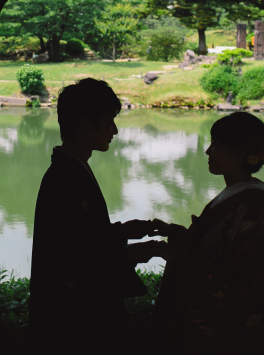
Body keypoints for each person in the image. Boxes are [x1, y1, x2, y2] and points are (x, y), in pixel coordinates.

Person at [29, 78, 165, 354]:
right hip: (73, 318)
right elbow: (78, 259)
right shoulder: (65, 178)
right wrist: (143, 251)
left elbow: (83, 238)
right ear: (84, 123)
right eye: (109, 120)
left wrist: (123, 231)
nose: (114, 130)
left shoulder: (73, 169)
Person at [152, 111, 264, 355]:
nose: (208, 152)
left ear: (240, 153)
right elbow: (210, 248)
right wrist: (175, 234)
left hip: (231, 329)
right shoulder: (237, 198)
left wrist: (176, 255)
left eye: (216, 145)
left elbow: (234, 277)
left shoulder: (250, 209)